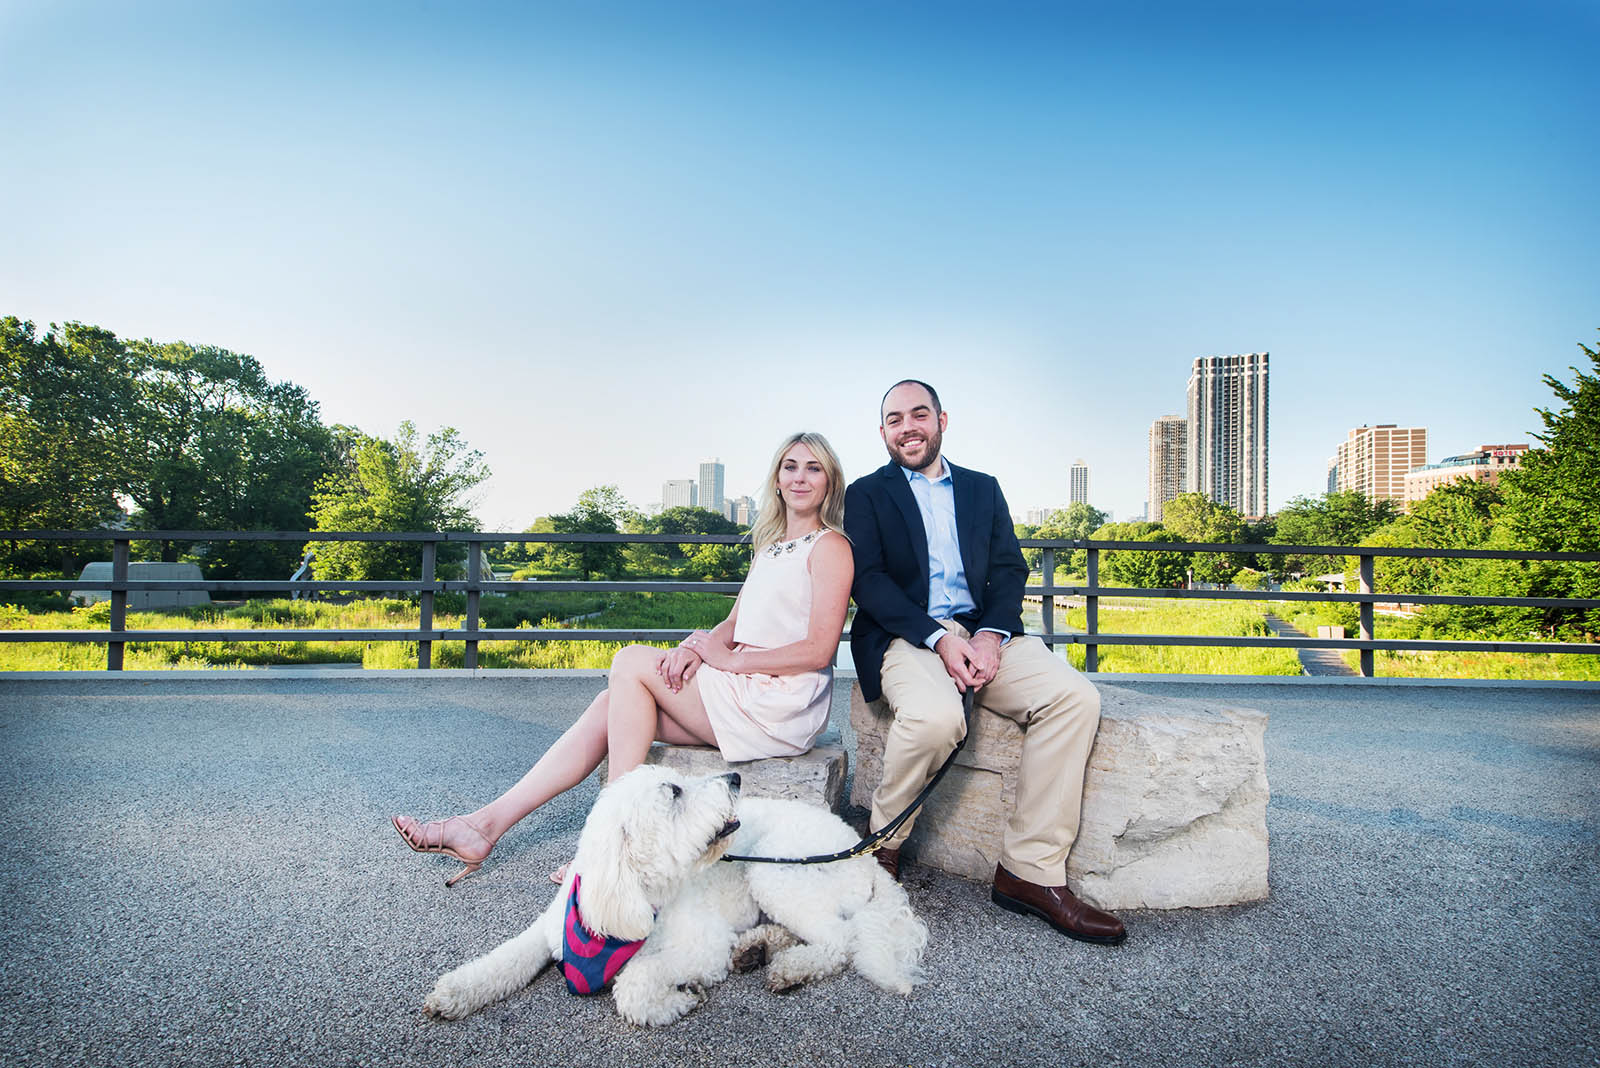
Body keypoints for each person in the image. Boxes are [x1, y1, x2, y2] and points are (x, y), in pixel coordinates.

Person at [393, 432, 854, 886]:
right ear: (776, 478)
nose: (800, 478)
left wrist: (726, 663)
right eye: (790, 466)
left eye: (813, 468)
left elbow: (819, 649)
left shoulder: (830, 547)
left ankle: (605, 844)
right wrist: (692, 650)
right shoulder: (770, 544)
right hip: (745, 689)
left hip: (780, 701)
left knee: (631, 660)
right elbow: (734, 625)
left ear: (829, 481)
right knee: (610, 704)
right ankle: (483, 826)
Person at [843, 380, 1125, 945]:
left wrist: (991, 637)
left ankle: (1028, 873)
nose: (908, 427)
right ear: (882, 433)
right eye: (894, 419)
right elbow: (868, 581)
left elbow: (1008, 569)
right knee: (936, 720)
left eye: (918, 414)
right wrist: (939, 640)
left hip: (984, 632)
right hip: (909, 633)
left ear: (942, 419)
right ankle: (881, 846)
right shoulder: (866, 493)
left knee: (1074, 698)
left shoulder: (981, 488)